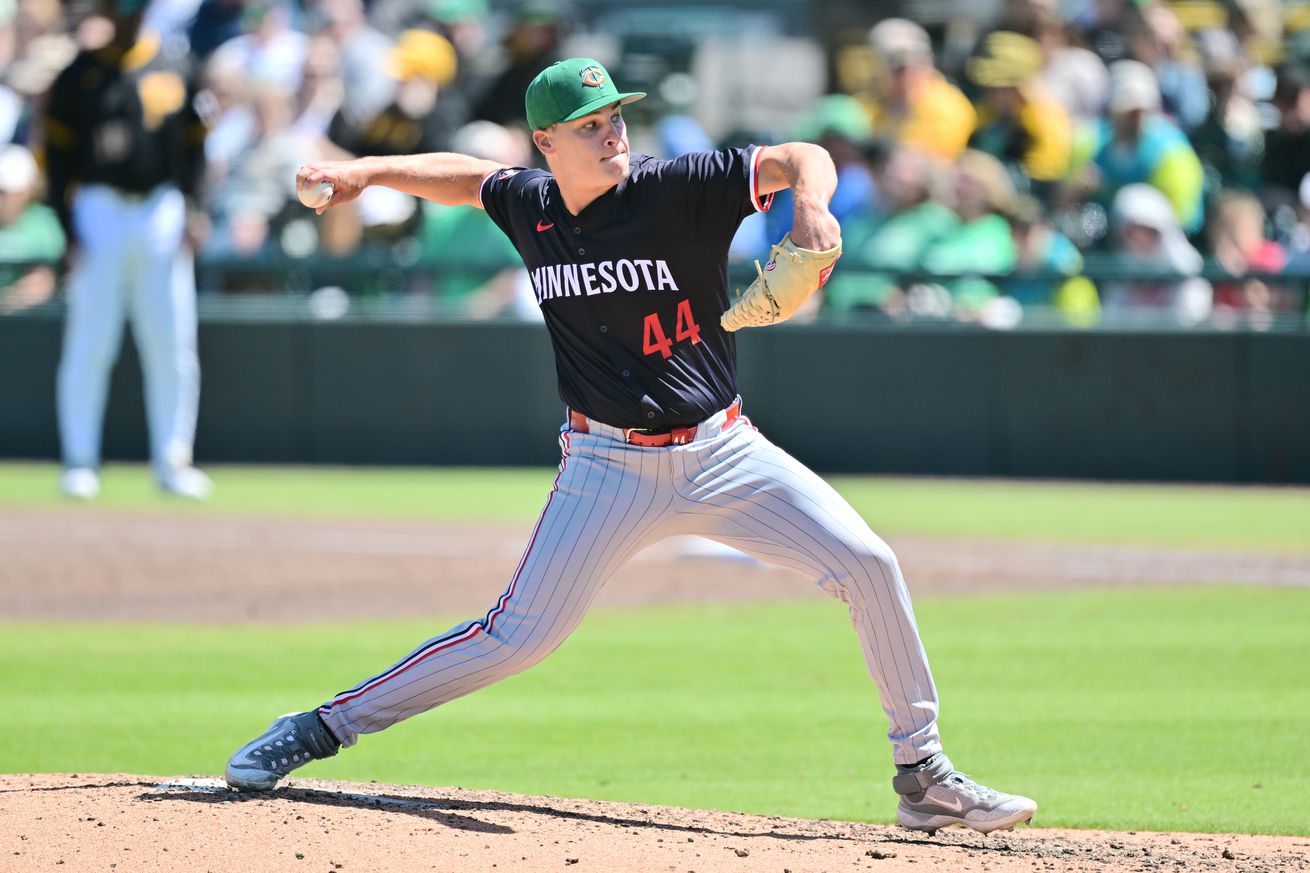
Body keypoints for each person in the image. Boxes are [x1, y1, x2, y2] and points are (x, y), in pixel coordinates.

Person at [224, 57, 1038, 836]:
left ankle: (923, 772)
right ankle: (320, 727)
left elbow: (803, 154)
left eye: (616, 116)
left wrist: (811, 207)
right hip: (605, 466)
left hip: (726, 452)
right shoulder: (531, 206)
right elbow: (466, 177)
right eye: (589, 124)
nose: (613, 133)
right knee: (516, 638)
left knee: (869, 563)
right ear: (546, 143)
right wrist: (363, 173)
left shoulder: (677, 188)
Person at [46, 0, 211, 500]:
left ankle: (172, 458)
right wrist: (67, 230)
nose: (128, 17)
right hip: (99, 209)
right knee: (90, 341)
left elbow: (196, 148)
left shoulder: (176, 64)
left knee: (171, 341)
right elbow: (57, 158)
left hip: (160, 207)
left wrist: (197, 207)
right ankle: (80, 460)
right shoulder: (79, 73)